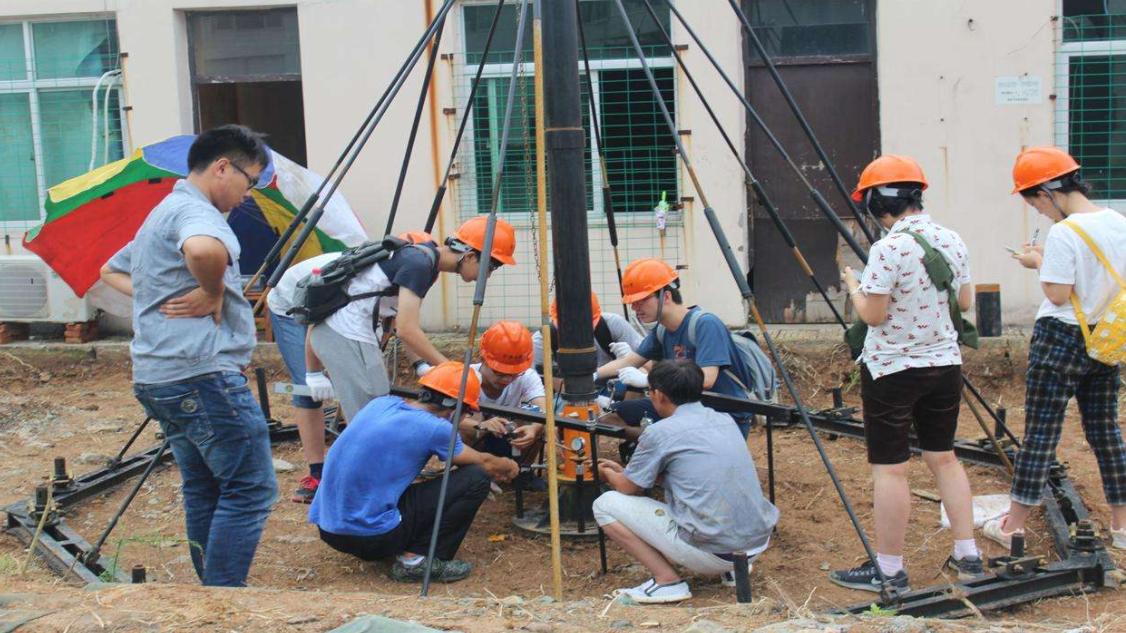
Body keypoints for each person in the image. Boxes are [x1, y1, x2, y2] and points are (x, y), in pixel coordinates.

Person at [99, 125, 278, 587]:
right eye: (250, 181)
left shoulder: (162, 213)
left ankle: (210, 593)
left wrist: (168, 292)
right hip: (200, 375)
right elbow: (202, 249)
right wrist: (211, 290)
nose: (248, 194)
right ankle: (224, 597)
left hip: (160, 375)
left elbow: (110, 270)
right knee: (251, 488)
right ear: (223, 167)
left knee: (205, 487)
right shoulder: (196, 214)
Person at [831, 155, 982, 593]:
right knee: (944, 457)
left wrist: (854, 286)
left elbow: (873, 316)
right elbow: (966, 302)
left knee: (891, 469)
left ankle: (891, 569)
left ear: (877, 203)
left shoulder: (888, 248)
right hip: (944, 366)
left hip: (893, 371)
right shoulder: (951, 239)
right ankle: (968, 556)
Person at [984, 147, 1126, 552]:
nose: (1040, 213)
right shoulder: (1118, 222)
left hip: (1061, 339)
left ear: (1048, 192)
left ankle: (1013, 524)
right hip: (1105, 338)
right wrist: (1050, 260)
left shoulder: (1065, 232)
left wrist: (1035, 264)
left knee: (1042, 434)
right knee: (1106, 434)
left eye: (1036, 203)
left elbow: (1059, 294)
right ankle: (1122, 526)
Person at [309, 361, 519, 583]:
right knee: (476, 478)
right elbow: (484, 463)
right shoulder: (436, 429)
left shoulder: (381, 404)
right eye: (466, 412)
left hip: (329, 528)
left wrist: (480, 426)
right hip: (371, 538)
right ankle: (417, 561)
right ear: (455, 409)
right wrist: (509, 465)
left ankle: (398, 544)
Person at [592, 359, 778, 604]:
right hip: (755, 544)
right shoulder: (724, 419)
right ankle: (733, 572)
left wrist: (606, 472)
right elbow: (694, 473)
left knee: (605, 504)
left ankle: (666, 581)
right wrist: (627, 472)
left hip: (713, 552)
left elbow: (628, 487)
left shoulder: (660, 432)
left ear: (657, 395)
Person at [309, 216, 517, 422]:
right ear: (470, 256)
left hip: (356, 333)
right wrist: (452, 370)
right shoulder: (420, 264)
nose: (487, 277)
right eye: (490, 267)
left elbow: (401, 322)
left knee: (379, 403)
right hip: (345, 333)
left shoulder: (425, 259)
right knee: (368, 420)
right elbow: (407, 329)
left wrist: (422, 365)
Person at [596, 258, 766, 438]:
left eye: (641, 300)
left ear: (666, 296)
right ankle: (651, 448)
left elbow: (706, 379)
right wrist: (594, 374)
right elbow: (630, 361)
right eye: (633, 302)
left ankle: (662, 449)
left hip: (723, 414)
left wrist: (649, 381)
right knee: (615, 413)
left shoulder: (705, 325)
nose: (634, 307)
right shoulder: (662, 330)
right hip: (684, 408)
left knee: (674, 444)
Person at [266, 252, 339, 503]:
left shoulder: (396, 284)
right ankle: (317, 474)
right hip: (291, 305)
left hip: (323, 307)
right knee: (306, 389)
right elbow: (313, 323)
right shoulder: (344, 278)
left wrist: (419, 364)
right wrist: (313, 374)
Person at [467, 321, 547, 459]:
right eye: (499, 373)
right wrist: (481, 425)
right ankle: (477, 473)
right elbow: (450, 418)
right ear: (483, 358)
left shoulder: (528, 376)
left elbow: (544, 412)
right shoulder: (466, 377)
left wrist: (535, 428)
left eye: (514, 374)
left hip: (510, 438)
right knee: (468, 425)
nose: (507, 380)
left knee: (539, 425)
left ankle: (522, 473)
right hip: (477, 448)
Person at [531, 291, 643, 375]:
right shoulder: (543, 339)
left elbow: (648, 362)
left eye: (583, 329)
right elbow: (535, 380)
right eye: (570, 329)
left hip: (613, 383)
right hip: (565, 391)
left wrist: (629, 358)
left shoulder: (613, 324)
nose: (577, 334)